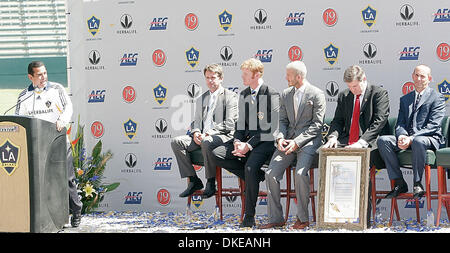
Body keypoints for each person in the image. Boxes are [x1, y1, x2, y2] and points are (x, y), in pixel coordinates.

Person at [208, 58, 280, 228]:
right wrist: (237, 141)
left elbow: (271, 128)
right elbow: (240, 124)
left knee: (249, 167)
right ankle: (256, 176)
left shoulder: (271, 94)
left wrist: (248, 145)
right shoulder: (244, 94)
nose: (242, 77)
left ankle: (249, 215)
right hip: (246, 142)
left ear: (257, 75)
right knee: (215, 154)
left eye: (245, 74)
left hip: (265, 142)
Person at [259, 61, 325, 230]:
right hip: (287, 142)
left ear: (298, 76)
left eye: (288, 75)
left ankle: (303, 219)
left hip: (308, 143)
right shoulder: (286, 94)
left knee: (301, 174)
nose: (285, 78)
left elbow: (317, 125)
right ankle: (276, 218)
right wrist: (280, 138)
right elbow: (282, 121)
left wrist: (297, 142)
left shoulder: (317, 94)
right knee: (271, 174)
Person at [15, 61, 82, 227]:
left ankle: (76, 210)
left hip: (58, 142)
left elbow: (68, 107)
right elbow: (18, 119)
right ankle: (48, 216)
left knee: (66, 179)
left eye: (45, 73)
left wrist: (62, 120)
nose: (43, 77)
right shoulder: (24, 96)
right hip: (36, 148)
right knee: (40, 182)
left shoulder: (57, 89)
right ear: (30, 77)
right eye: (39, 75)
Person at [323, 65, 390, 225]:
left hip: (370, 142)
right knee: (327, 154)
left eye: (355, 86)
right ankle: (334, 215)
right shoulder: (344, 96)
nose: (352, 90)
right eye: (349, 87)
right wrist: (332, 137)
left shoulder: (378, 93)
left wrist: (361, 142)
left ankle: (362, 220)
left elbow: (379, 122)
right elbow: (338, 121)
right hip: (348, 141)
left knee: (361, 162)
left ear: (364, 79)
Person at [377, 65, 445, 199]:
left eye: (423, 76)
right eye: (416, 75)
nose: (419, 79)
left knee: (418, 141)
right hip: (408, 137)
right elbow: (400, 123)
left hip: (429, 138)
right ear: (412, 76)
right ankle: (399, 182)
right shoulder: (405, 99)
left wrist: (412, 138)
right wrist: (402, 135)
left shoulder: (437, 98)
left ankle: (417, 183)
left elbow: (434, 125)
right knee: (383, 140)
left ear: (429, 79)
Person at [171, 64, 238, 199]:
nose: (210, 81)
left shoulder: (231, 97)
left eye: (213, 77)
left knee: (207, 141)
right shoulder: (202, 98)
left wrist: (209, 133)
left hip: (221, 137)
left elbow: (230, 123)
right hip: (201, 136)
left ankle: (210, 182)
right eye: (207, 78)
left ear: (221, 78)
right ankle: (193, 180)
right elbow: (196, 121)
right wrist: (195, 132)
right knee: (176, 142)